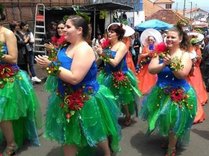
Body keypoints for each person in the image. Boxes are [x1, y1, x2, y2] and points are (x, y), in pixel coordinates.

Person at [35, 15, 121, 156]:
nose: (63, 30)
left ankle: (106, 152)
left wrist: (51, 65)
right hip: (65, 97)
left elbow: (75, 78)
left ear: (79, 30)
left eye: (68, 27)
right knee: (70, 135)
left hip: (84, 99)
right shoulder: (66, 46)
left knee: (95, 129)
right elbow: (61, 68)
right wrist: (49, 65)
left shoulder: (83, 49)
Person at [140, 23, 197, 156]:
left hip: (179, 94)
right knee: (164, 118)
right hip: (160, 92)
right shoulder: (159, 53)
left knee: (174, 121)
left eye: (173, 37)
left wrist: (171, 65)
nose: (169, 39)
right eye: (167, 37)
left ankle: (171, 148)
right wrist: (163, 64)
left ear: (180, 39)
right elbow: (151, 69)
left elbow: (182, 74)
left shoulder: (185, 55)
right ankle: (169, 140)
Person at [0, 7, 41, 156]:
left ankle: (12, 144)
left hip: (7, 79)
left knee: (3, 113)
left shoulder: (7, 33)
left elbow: (13, 58)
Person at [96, 23, 141, 126]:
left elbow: (115, 62)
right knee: (107, 97)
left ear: (118, 34)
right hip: (107, 74)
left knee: (123, 98)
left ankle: (128, 115)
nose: (109, 33)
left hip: (119, 74)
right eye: (109, 31)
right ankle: (110, 116)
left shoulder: (122, 46)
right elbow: (99, 61)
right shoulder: (107, 45)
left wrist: (102, 53)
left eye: (112, 32)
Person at [187, 38, 208, 124]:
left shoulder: (198, 50)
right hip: (191, 71)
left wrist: (196, 60)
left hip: (194, 70)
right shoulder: (187, 50)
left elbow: (199, 60)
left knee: (196, 86)